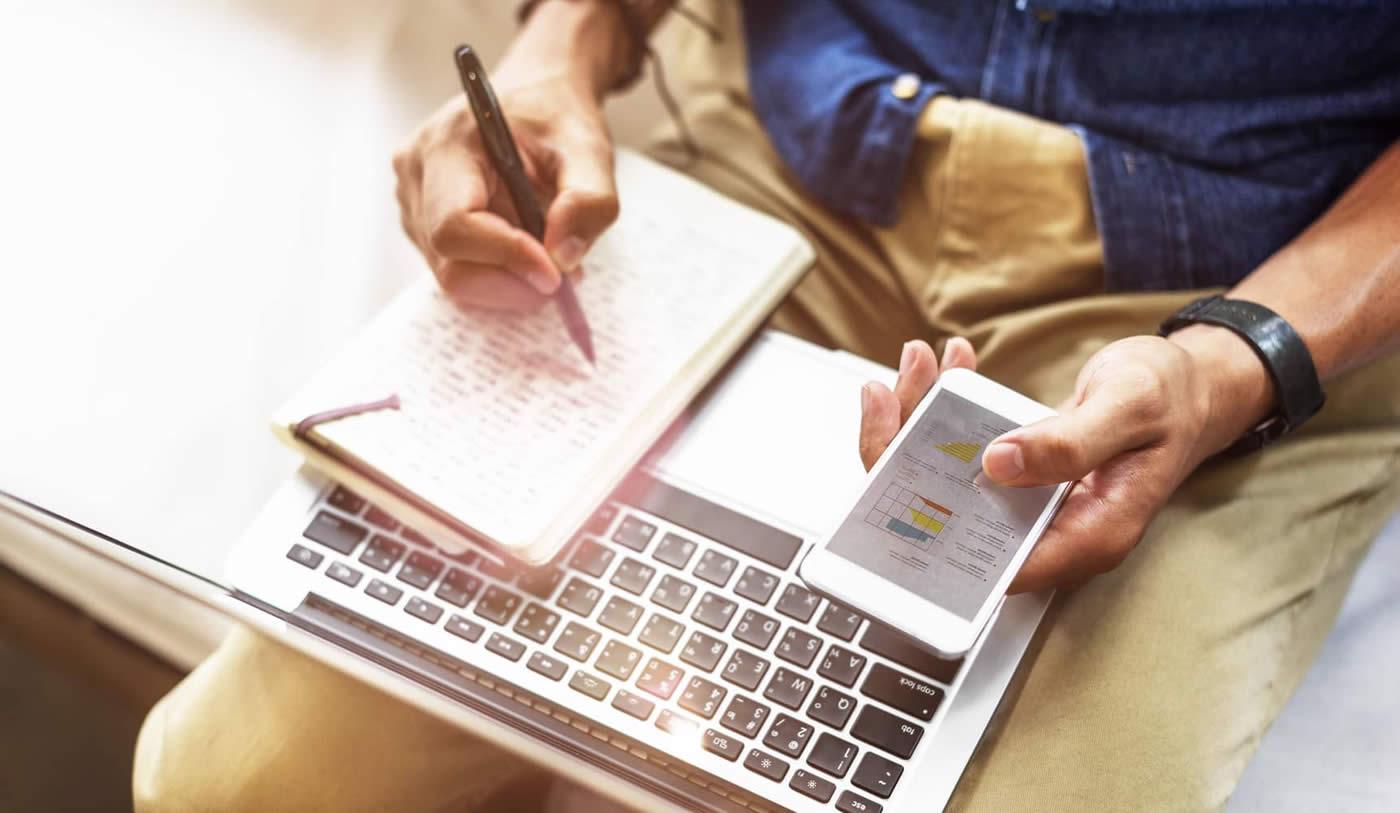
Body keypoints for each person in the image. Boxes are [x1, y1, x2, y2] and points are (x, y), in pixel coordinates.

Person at [134, 1, 1400, 810]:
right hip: (787, 156)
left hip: (1250, 274)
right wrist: (561, 45)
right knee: (236, 784)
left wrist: (1238, 359)